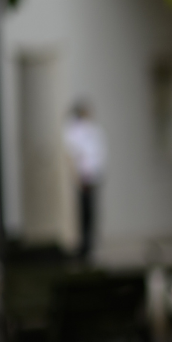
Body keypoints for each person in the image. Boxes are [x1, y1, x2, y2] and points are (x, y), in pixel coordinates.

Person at [62, 100, 107, 260]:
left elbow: (98, 153)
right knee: (84, 212)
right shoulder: (76, 130)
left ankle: (89, 244)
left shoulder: (93, 129)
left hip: (93, 176)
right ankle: (84, 245)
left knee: (90, 212)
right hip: (84, 177)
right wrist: (77, 177)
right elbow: (72, 155)